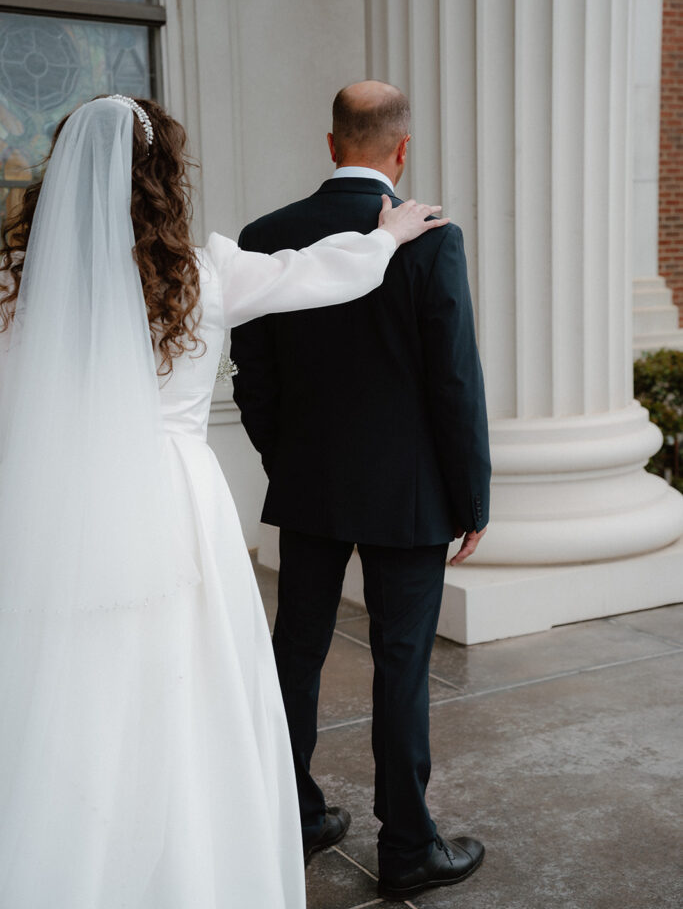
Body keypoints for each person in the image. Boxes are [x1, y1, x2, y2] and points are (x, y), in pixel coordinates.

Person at [0, 95, 448, 909]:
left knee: (82, 687)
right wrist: (386, 234)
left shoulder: (15, 289)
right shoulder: (199, 276)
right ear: (162, 177)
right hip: (173, 505)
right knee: (186, 683)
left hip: (60, 508)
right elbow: (312, 275)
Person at [230, 80, 491, 901]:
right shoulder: (428, 236)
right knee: (400, 662)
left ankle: (293, 814)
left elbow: (254, 378)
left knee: (296, 652)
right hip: (407, 493)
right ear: (400, 149)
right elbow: (452, 378)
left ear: (332, 143)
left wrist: (289, 457)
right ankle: (408, 847)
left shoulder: (264, 235)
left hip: (308, 482)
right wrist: (470, 496)